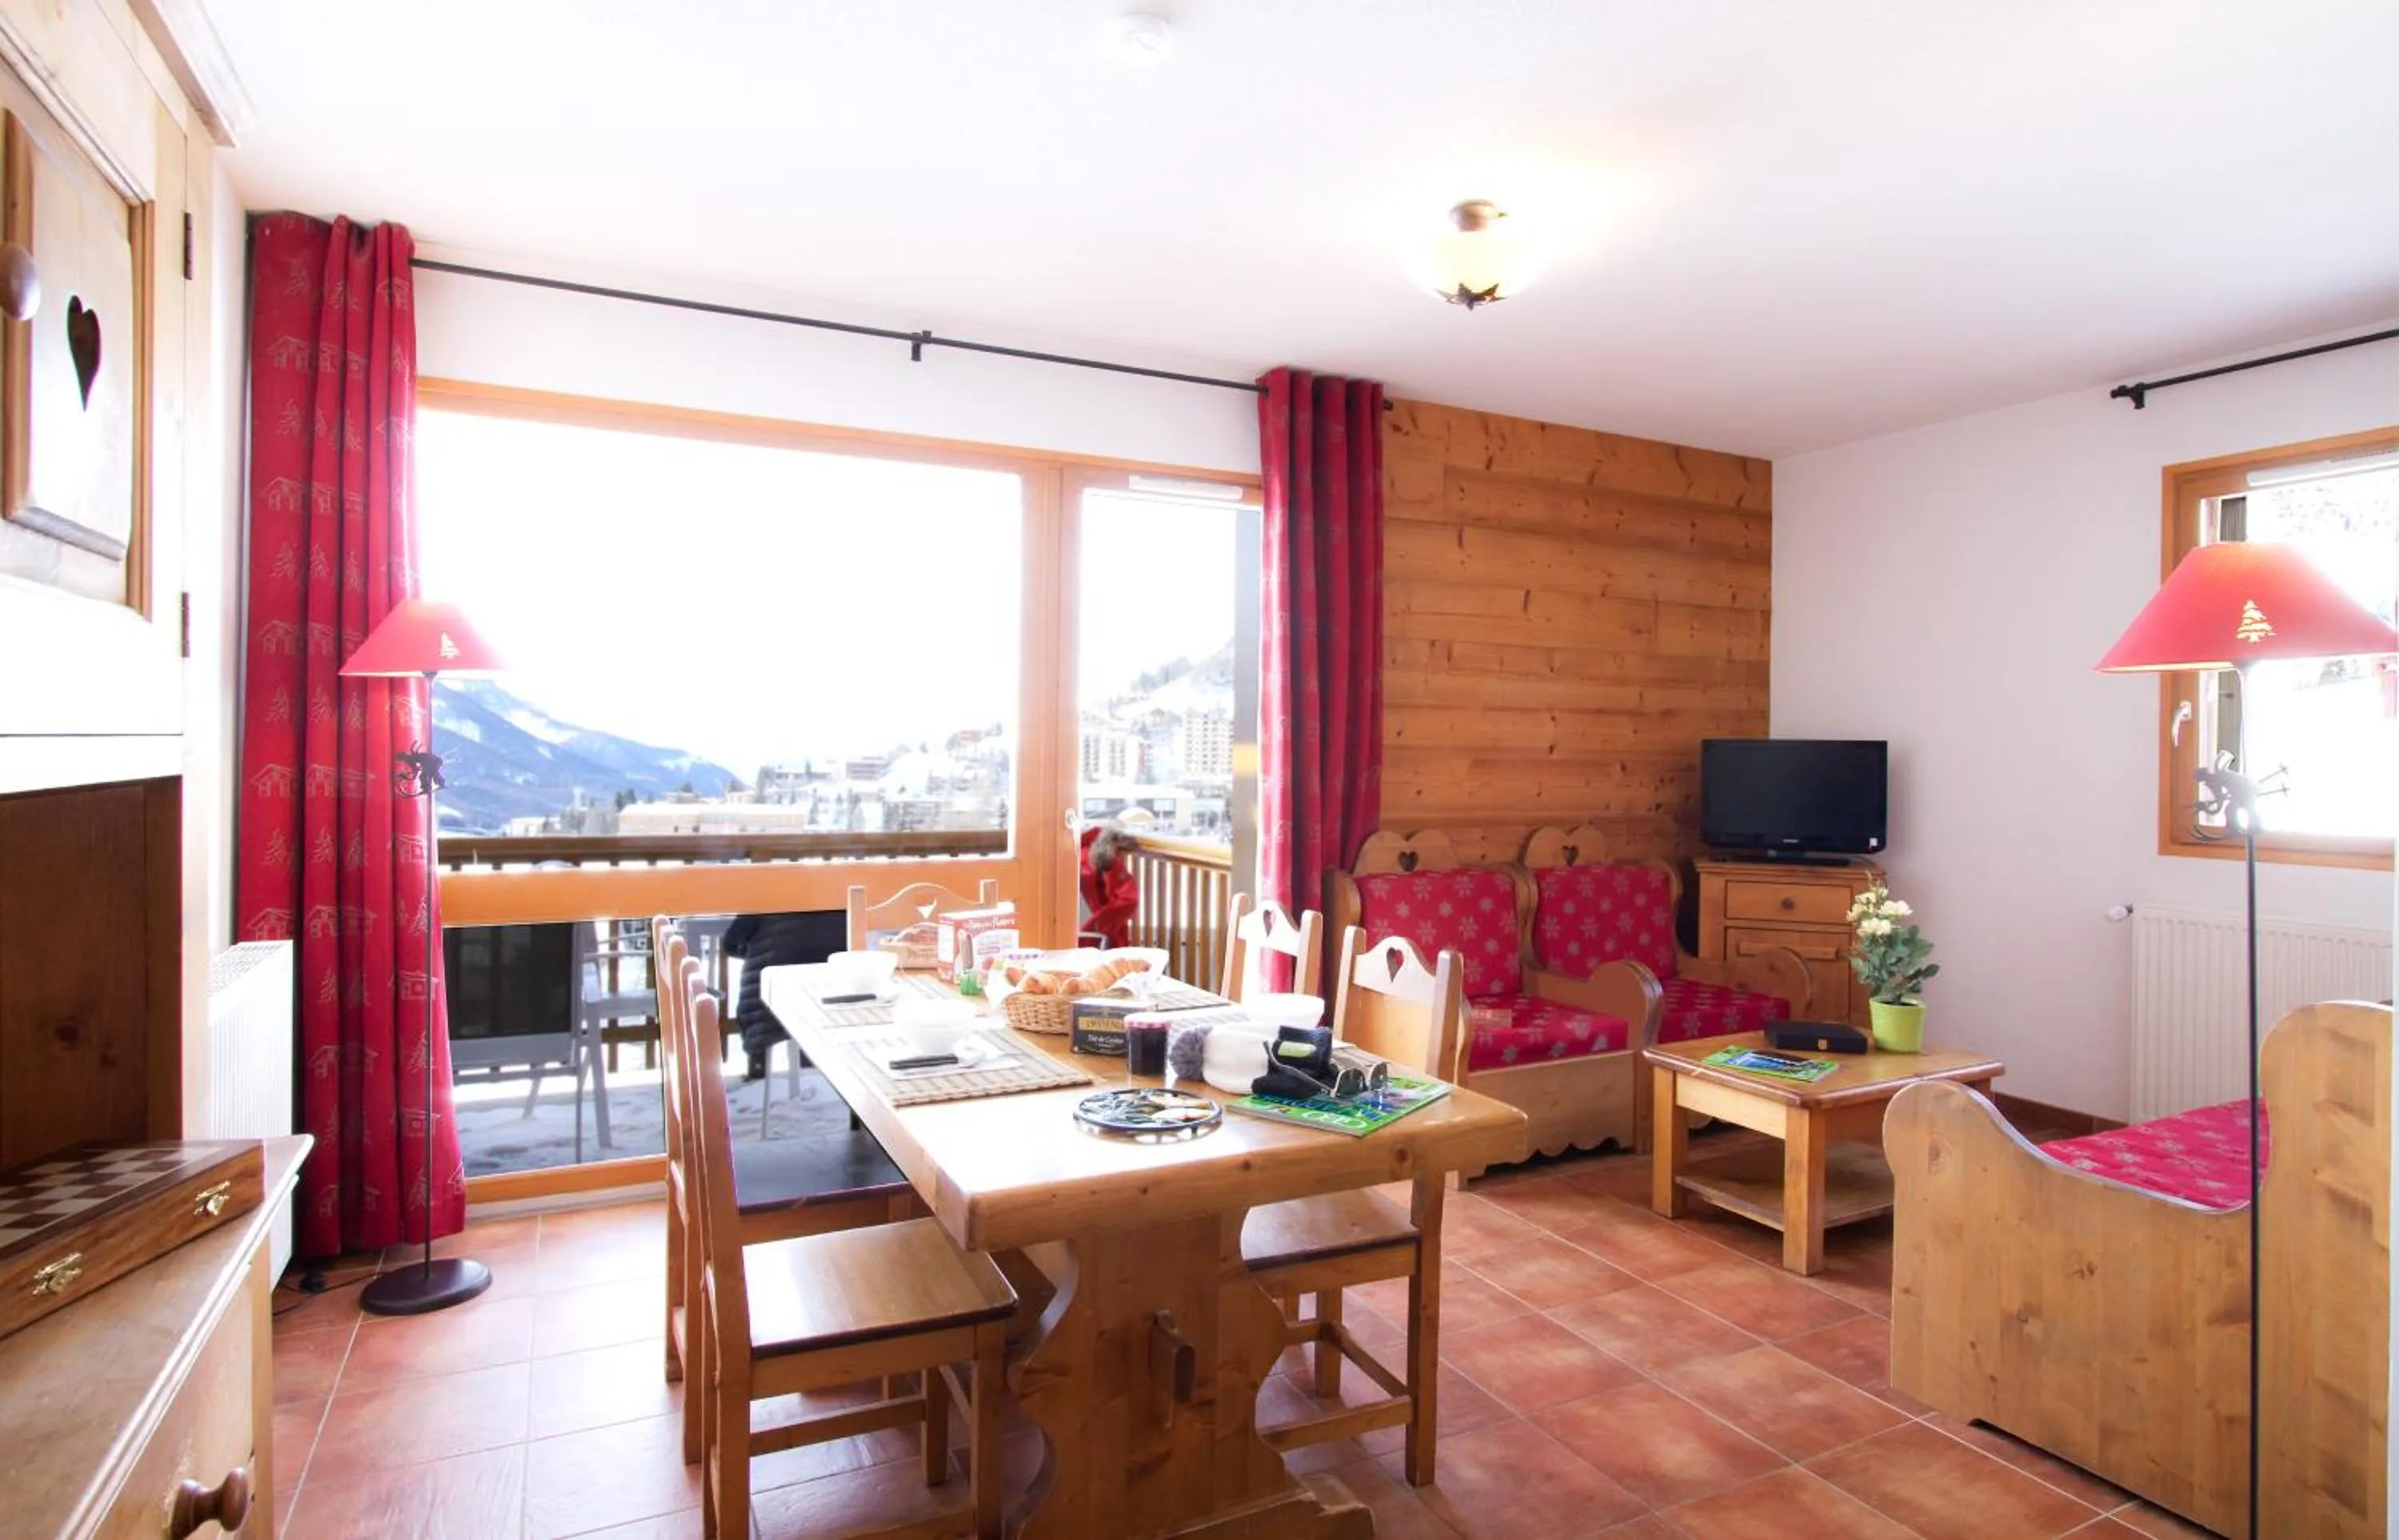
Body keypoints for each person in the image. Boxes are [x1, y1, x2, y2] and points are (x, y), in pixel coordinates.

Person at [718, 910, 846, 1079]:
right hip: (830, 1002)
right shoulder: (841, 898)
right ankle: (811, 1072)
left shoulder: (768, 898)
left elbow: (731, 942)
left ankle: (758, 1068)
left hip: (768, 1005)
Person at [1078, 822, 1138, 949]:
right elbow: (1129, 900)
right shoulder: (1111, 864)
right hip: (1093, 938)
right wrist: (1095, 925)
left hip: (1074, 933)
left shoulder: (1079, 854)